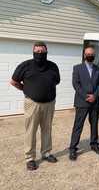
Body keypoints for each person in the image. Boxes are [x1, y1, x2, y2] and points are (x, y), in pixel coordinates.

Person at [10, 41, 60, 170]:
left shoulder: (53, 66)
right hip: (32, 103)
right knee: (31, 131)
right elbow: (13, 81)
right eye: (37, 52)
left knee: (47, 129)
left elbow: (55, 82)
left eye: (42, 52)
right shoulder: (25, 66)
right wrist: (27, 90)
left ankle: (46, 153)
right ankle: (30, 157)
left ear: (46, 52)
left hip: (49, 103)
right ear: (33, 52)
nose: (40, 54)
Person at [68, 47, 99, 161]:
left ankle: (94, 145)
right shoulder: (77, 68)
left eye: (92, 54)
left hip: (95, 101)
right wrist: (86, 96)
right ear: (84, 55)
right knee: (78, 126)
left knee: (94, 125)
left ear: (95, 56)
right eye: (88, 54)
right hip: (82, 101)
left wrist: (94, 96)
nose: (90, 55)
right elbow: (76, 84)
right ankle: (73, 149)